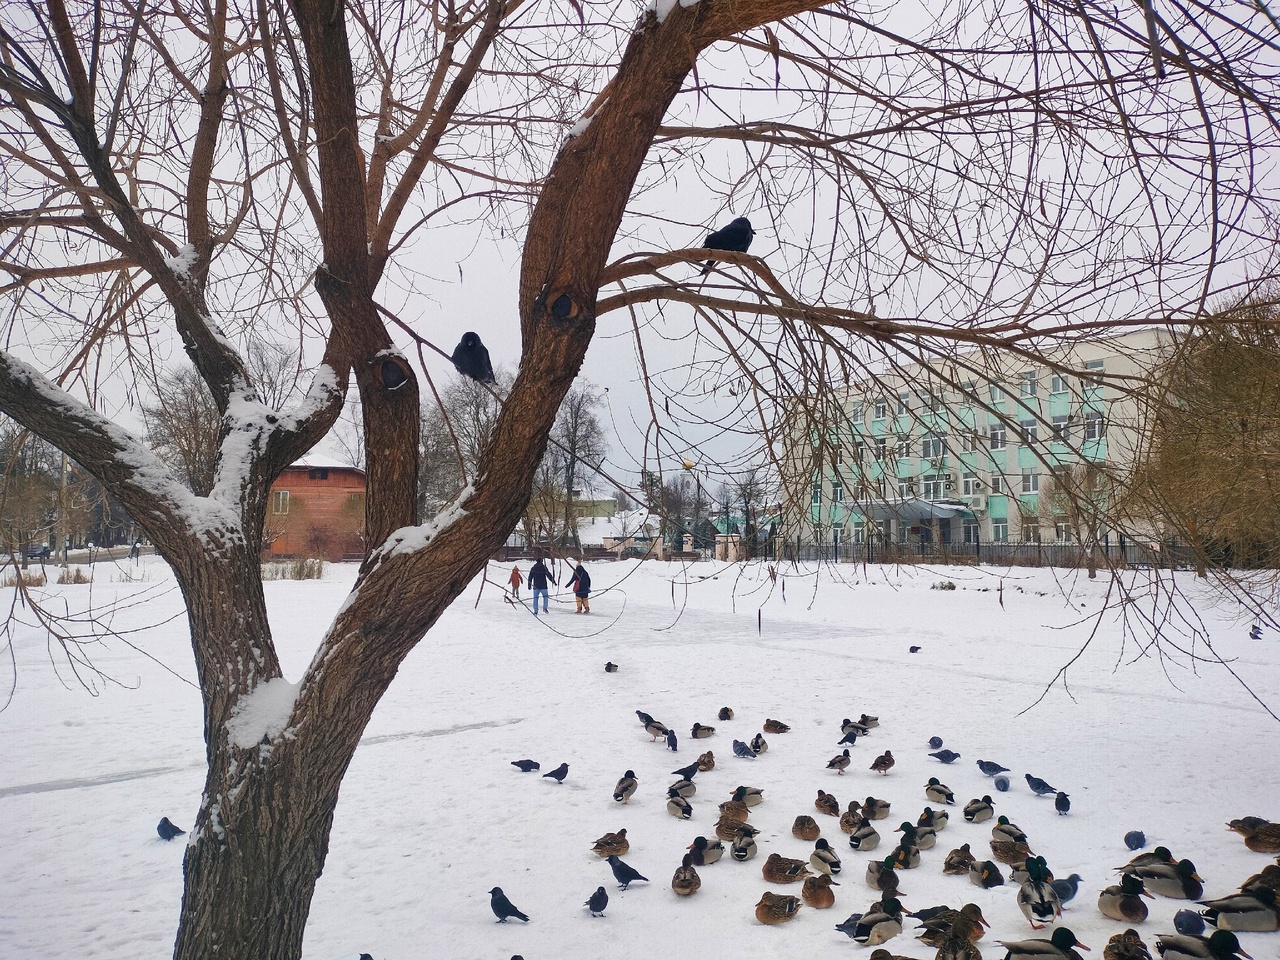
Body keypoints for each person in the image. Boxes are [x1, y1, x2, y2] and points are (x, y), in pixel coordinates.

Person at [527, 549, 552, 615]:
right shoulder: (544, 568)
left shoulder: (533, 568)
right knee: (545, 597)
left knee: (535, 598)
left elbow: (530, 577)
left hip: (536, 586)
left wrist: (529, 585)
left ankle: (535, 610)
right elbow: (548, 574)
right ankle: (545, 608)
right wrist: (553, 581)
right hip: (544, 585)